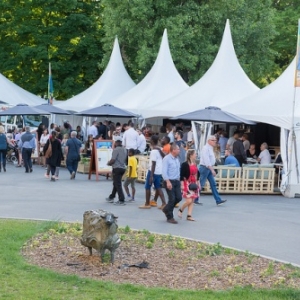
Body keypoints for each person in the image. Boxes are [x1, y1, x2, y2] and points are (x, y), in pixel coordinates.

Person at [140, 135, 167, 209]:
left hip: (153, 171)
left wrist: (151, 176)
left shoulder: (153, 151)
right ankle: (164, 203)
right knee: (158, 187)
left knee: (147, 187)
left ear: (152, 141)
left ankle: (147, 203)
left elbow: (153, 163)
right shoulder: (160, 149)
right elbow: (164, 157)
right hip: (159, 171)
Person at [199, 135, 227, 206]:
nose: (215, 142)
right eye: (214, 140)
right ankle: (194, 198)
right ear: (209, 141)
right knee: (201, 184)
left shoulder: (210, 148)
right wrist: (212, 169)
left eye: (215, 140)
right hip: (205, 168)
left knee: (213, 184)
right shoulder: (205, 148)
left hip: (208, 168)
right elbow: (207, 160)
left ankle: (218, 200)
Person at [162, 144, 182, 224]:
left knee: (179, 198)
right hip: (169, 180)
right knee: (172, 198)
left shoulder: (177, 159)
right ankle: (169, 216)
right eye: (178, 149)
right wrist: (167, 181)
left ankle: (167, 208)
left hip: (176, 180)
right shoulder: (167, 159)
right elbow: (164, 171)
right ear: (173, 150)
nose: (179, 151)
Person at [178, 149, 200, 221]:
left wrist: (198, 182)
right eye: (195, 154)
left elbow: (197, 173)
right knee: (189, 200)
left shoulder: (195, 163)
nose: (196, 155)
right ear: (191, 155)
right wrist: (182, 185)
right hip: (186, 183)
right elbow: (182, 175)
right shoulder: (185, 164)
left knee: (192, 199)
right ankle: (181, 210)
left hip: (193, 183)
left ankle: (189, 215)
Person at [106, 137, 127, 206]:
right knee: (116, 183)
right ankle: (111, 197)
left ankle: (121, 199)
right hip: (123, 168)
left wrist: (108, 163)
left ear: (117, 142)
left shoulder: (116, 150)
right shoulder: (125, 149)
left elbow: (113, 160)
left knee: (117, 184)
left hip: (117, 168)